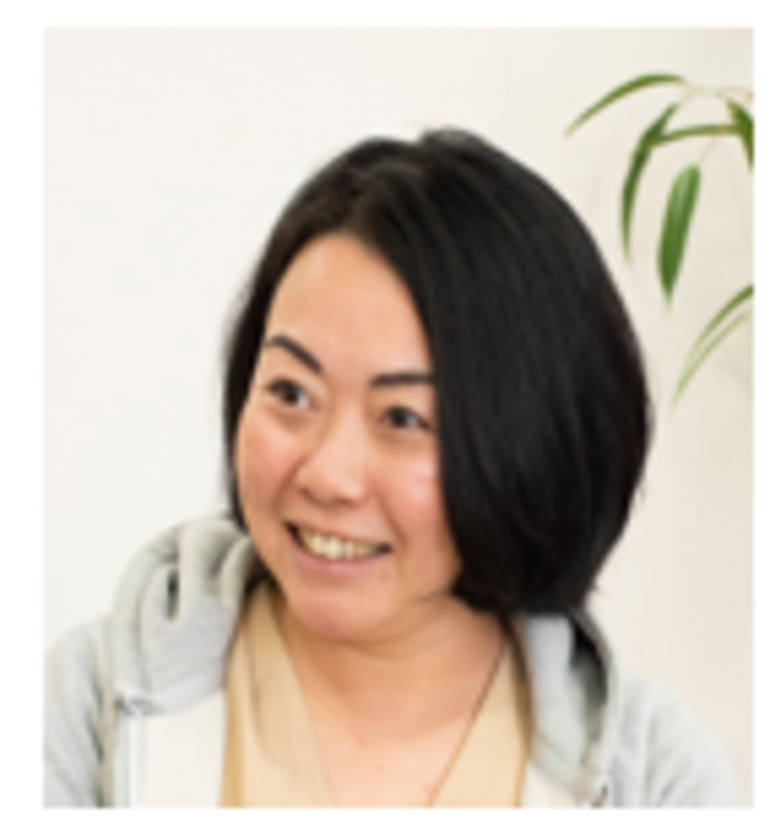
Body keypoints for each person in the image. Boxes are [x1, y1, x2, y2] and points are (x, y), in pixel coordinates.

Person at [45, 129, 742, 807]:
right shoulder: (85, 709)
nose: (328, 475)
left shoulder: (659, 779)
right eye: (292, 393)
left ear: (528, 444)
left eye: (404, 418)